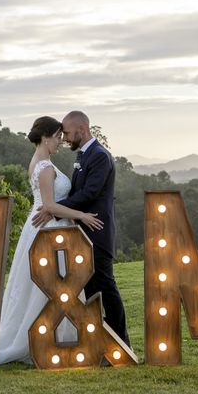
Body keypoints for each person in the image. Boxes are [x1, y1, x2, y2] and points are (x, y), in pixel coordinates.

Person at [0, 116, 103, 365]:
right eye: (57, 137)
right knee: (54, 286)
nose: (60, 142)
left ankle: (56, 336)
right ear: (45, 138)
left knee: (50, 288)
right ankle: (46, 339)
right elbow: (50, 205)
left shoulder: (39, 163)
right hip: (49, 229)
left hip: (46, 226)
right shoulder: (44, 167)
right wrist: (82, 216)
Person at [32, 111, 130, 347]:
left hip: (97, 233)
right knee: (89, 291)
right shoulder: (84, 156)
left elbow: (89, 194)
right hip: (82, 232)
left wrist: (52, 209)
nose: (64, 138)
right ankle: (98, 341)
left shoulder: (99, 156)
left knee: (106, 288)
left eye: (67, 132)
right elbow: (77, 193)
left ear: (82, 130)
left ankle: (121, 342)